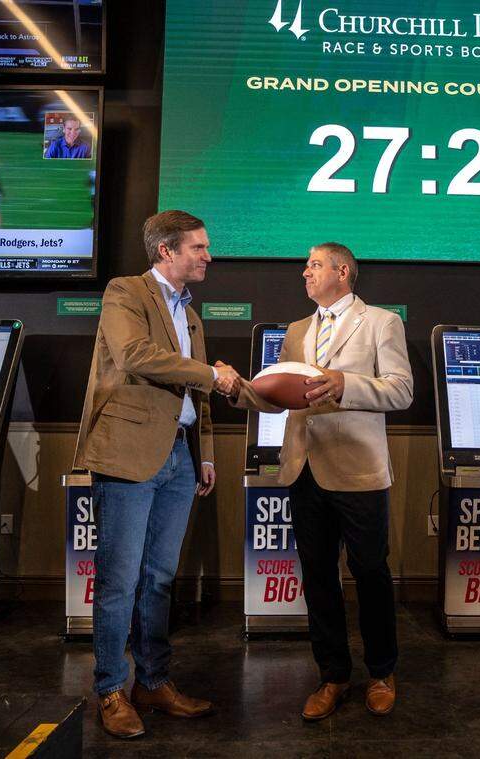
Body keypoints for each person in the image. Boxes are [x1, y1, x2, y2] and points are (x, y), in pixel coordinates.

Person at [73, 210, 242, 740]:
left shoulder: (191, 314)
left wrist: (206, 452)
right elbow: (136, 355)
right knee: (119, 580)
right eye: (199, 247)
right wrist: (213, 375)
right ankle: (110, 690)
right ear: (167, 251)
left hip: (180, 458)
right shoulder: (125, 292)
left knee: (159, 580)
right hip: (126, 454)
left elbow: (198, 395)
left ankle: (153, 681)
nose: (208, 256)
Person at [230, 242, 413, 721]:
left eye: (314, 265)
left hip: (358, 469)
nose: (304, 273)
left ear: (343, 271)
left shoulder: (381, 322)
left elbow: (401, 389)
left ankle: (381, 672)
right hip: (303, 468)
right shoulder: (295, 330)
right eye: (306, 266)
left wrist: (345, 384)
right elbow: (285, 397)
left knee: (370, 572)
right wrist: (242, 391)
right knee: (317, 575)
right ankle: (332, 676)